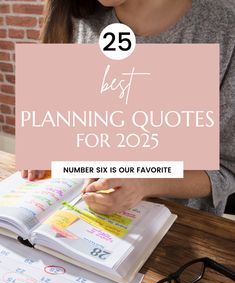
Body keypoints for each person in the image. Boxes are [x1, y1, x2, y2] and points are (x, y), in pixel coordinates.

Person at [21, 0, 235, 216]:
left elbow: (227, 169)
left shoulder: (224, 27)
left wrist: (145, 183)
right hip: (80, 216)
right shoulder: (79, 17)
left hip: (176, 228)